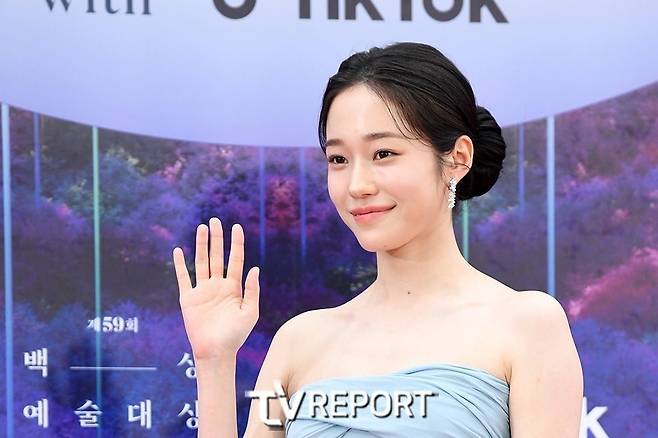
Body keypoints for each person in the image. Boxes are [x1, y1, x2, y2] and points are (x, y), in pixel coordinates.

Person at [172, 42, 584, 437]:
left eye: (383, 154)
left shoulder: (526, 325)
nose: (357, 185)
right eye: (338, 159)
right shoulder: (298, 342)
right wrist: (214, 361)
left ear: (457, 159)